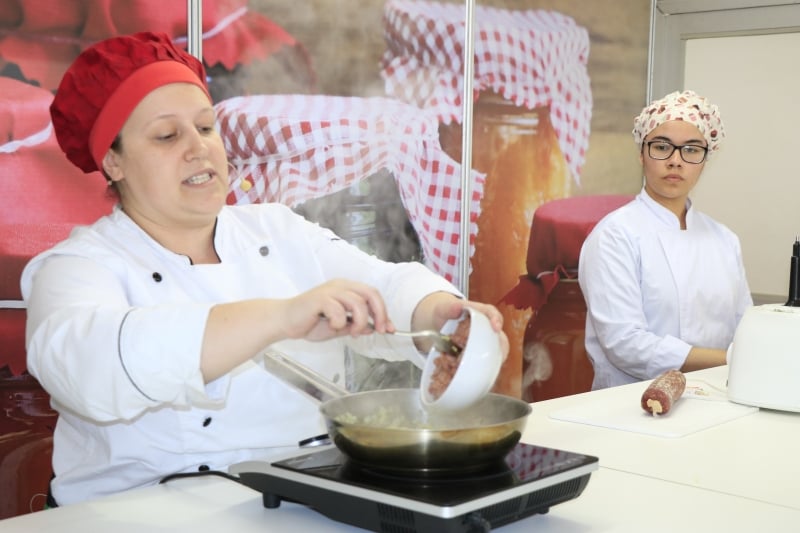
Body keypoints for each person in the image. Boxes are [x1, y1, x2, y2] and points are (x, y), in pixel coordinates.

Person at [21, 32, 508, 506]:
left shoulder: (276, 229)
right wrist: (279, 317)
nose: (198, 147)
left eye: (206, 127)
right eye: (167, 135)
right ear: (113, 161)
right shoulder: (75, 268)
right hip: (139, 512)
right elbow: (90, 367)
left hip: (301, 500)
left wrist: (441, 317)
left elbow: (384, 285)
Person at [578, 90, 752, 390]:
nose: (675, 161)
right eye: (661, 147)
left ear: (705, 160)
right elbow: (625, 344)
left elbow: (746, 328)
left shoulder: (724, 239)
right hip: (630, 405)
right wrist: (731, 359)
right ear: (641, 154)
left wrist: (746, 357)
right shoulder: (615, 235)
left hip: (717, 399)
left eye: (692, 150)